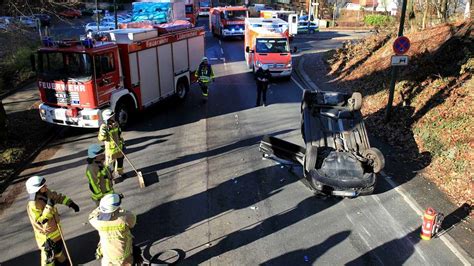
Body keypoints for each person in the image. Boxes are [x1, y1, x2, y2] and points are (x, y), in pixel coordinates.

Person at [26, 175, 80, 266]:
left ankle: (62, 261)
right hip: (46, 236)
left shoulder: (46, 192)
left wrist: (70, 203)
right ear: (37, 189)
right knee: (48, 257)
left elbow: (57, 197)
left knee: (58, 248)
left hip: (55, 229)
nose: (46, 187)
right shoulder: (33, 204)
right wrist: (49, 207)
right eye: (43, 186)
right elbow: (40, 221)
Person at [89, 194, 142, 265]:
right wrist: (120, 210)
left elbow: (91, 216)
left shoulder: (96, 221)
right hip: (124, 256)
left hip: (107, 257)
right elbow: (132, 219)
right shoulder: (124, 219)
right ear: (116, 207)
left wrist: (102, 207)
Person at [98, 109, 125, 180]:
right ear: (107, 119)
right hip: (110, 150)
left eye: (113, 116)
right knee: (109, 165)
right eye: (111, 117)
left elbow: (119, 134)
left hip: (119, 148)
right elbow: (101, 138)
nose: (113, 118)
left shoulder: (116, 124)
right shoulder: (104, 127)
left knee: (120, 161)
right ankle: (108, 176)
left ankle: (121, 173)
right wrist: (104, 133)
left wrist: (122, 143)